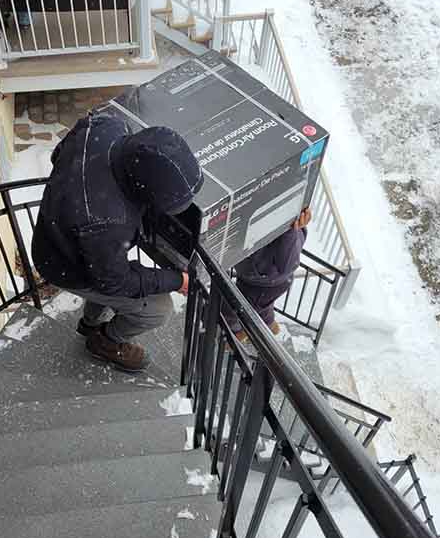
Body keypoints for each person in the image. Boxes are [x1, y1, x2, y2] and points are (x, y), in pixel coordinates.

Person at [31, 112, 203, 372]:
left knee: (105, 266)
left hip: (57, 238)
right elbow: (113, 281)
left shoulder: (107, 125)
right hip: (63, 264)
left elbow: (59, 155)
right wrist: (177, 281)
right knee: (159, 309)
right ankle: (106, 342)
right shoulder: (106, 220)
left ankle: (89, 322)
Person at [231, 207, 312, 343]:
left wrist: (292, 231)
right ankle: (269, 324)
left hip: (261, 283)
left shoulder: (288, 230)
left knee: (233, 307)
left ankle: (237, 332)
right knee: (262, 305)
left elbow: (287, 264)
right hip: (263, 280)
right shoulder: (282, 220)